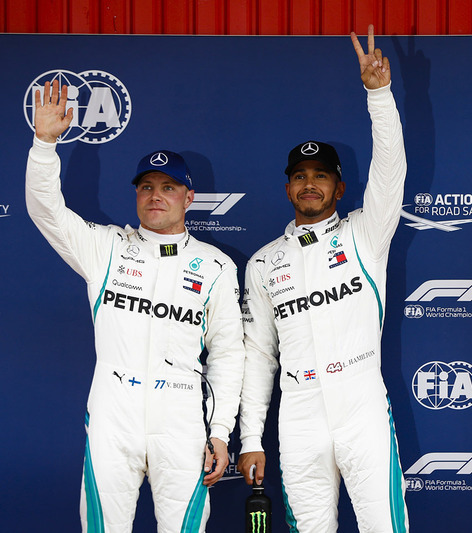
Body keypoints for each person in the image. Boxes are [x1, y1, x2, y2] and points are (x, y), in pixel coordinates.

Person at [26, 80, 245, 533]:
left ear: (189, 197)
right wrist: (44, 145)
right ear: (137, 195)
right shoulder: (105, 247)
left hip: (182, 418)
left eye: (168, 186)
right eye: (146, 186)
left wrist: (221, 431)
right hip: (113, 414)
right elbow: (46, 210)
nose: (155, 195)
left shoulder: (217, 266)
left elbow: (228, 352)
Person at [237, 25, 409, 532]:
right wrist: (251, 438)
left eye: (321, 175)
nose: (309, 183)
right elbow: (259, 354)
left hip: (361, 407)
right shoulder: (264, 262)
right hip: (299, 417)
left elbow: (391, 171)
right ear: (288, 188)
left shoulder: (365, 233)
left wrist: (378, 95)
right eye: (300, 176)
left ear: (339, 187)